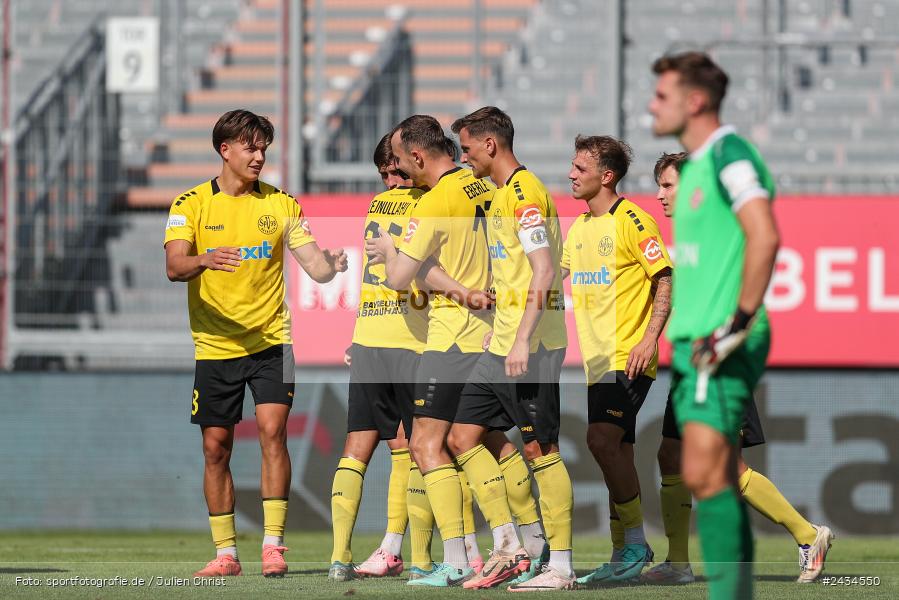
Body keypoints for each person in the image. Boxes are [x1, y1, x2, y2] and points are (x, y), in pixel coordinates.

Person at [164, 109, 348, 578]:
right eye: (250, 147)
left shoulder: (281, 205)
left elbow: (316, 268)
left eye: (264, 148)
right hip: (215, 346)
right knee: (216, 448)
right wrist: (204, 259)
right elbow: (174, 266)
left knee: (273, 433)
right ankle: (226, 553)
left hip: (272, 342)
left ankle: (273, 546)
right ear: (225, 150)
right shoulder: (190, 204)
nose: (259, 156)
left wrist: (331, 264)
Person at [643, 151, 834, 585]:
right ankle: (677, 562)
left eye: (668, 185)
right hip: (694, 360)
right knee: (670, 453)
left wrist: (724, 340)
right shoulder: (691, 232)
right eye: (659, 186)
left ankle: (808, 535)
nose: (660, 195)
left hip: (720, 361)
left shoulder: (718, 229)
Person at [649, 50, 785, 600]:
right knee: (710, 475)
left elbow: (765, 234)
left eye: (662, 95)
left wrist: (737, 322)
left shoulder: (730, 154)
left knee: (709, 473)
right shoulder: (699, 167)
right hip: (696, 342)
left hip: (722, 339)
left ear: (695, 101)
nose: (652, 105)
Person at [444, 106, 575, 591]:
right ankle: (509, 544)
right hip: (501, 343)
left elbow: (545, 269)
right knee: (461, 436)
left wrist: (521, 336)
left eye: (467, 149)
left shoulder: (523, 193)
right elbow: (526, 271)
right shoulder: (502, 195)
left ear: (490, 144)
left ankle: (561, 567)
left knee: (541, 449)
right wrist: (502, 324)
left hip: (531, 347)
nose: (464, 158)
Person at [365, 114, 494, 587]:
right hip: (489, 330)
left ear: (417, 156)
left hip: (451, 335)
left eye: (401, 161)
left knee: (424, 444)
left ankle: (458, 559)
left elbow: (401, 278)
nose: (400, 171)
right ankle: (514, 544)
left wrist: (389, 251)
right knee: (479, 442)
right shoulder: (483, 187)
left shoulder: (434, 201)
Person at [559, 135, 673, 587]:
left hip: (628, 356)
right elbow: (552, 276)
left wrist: (649, 339)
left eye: (580, 168)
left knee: (601, 441)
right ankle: (622, 551)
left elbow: (664, 278)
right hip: (596, 360)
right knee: (617, 453)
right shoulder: (579, 228)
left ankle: (636, 543)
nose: (571, 175)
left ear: (606, 176)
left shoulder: (633, 221)